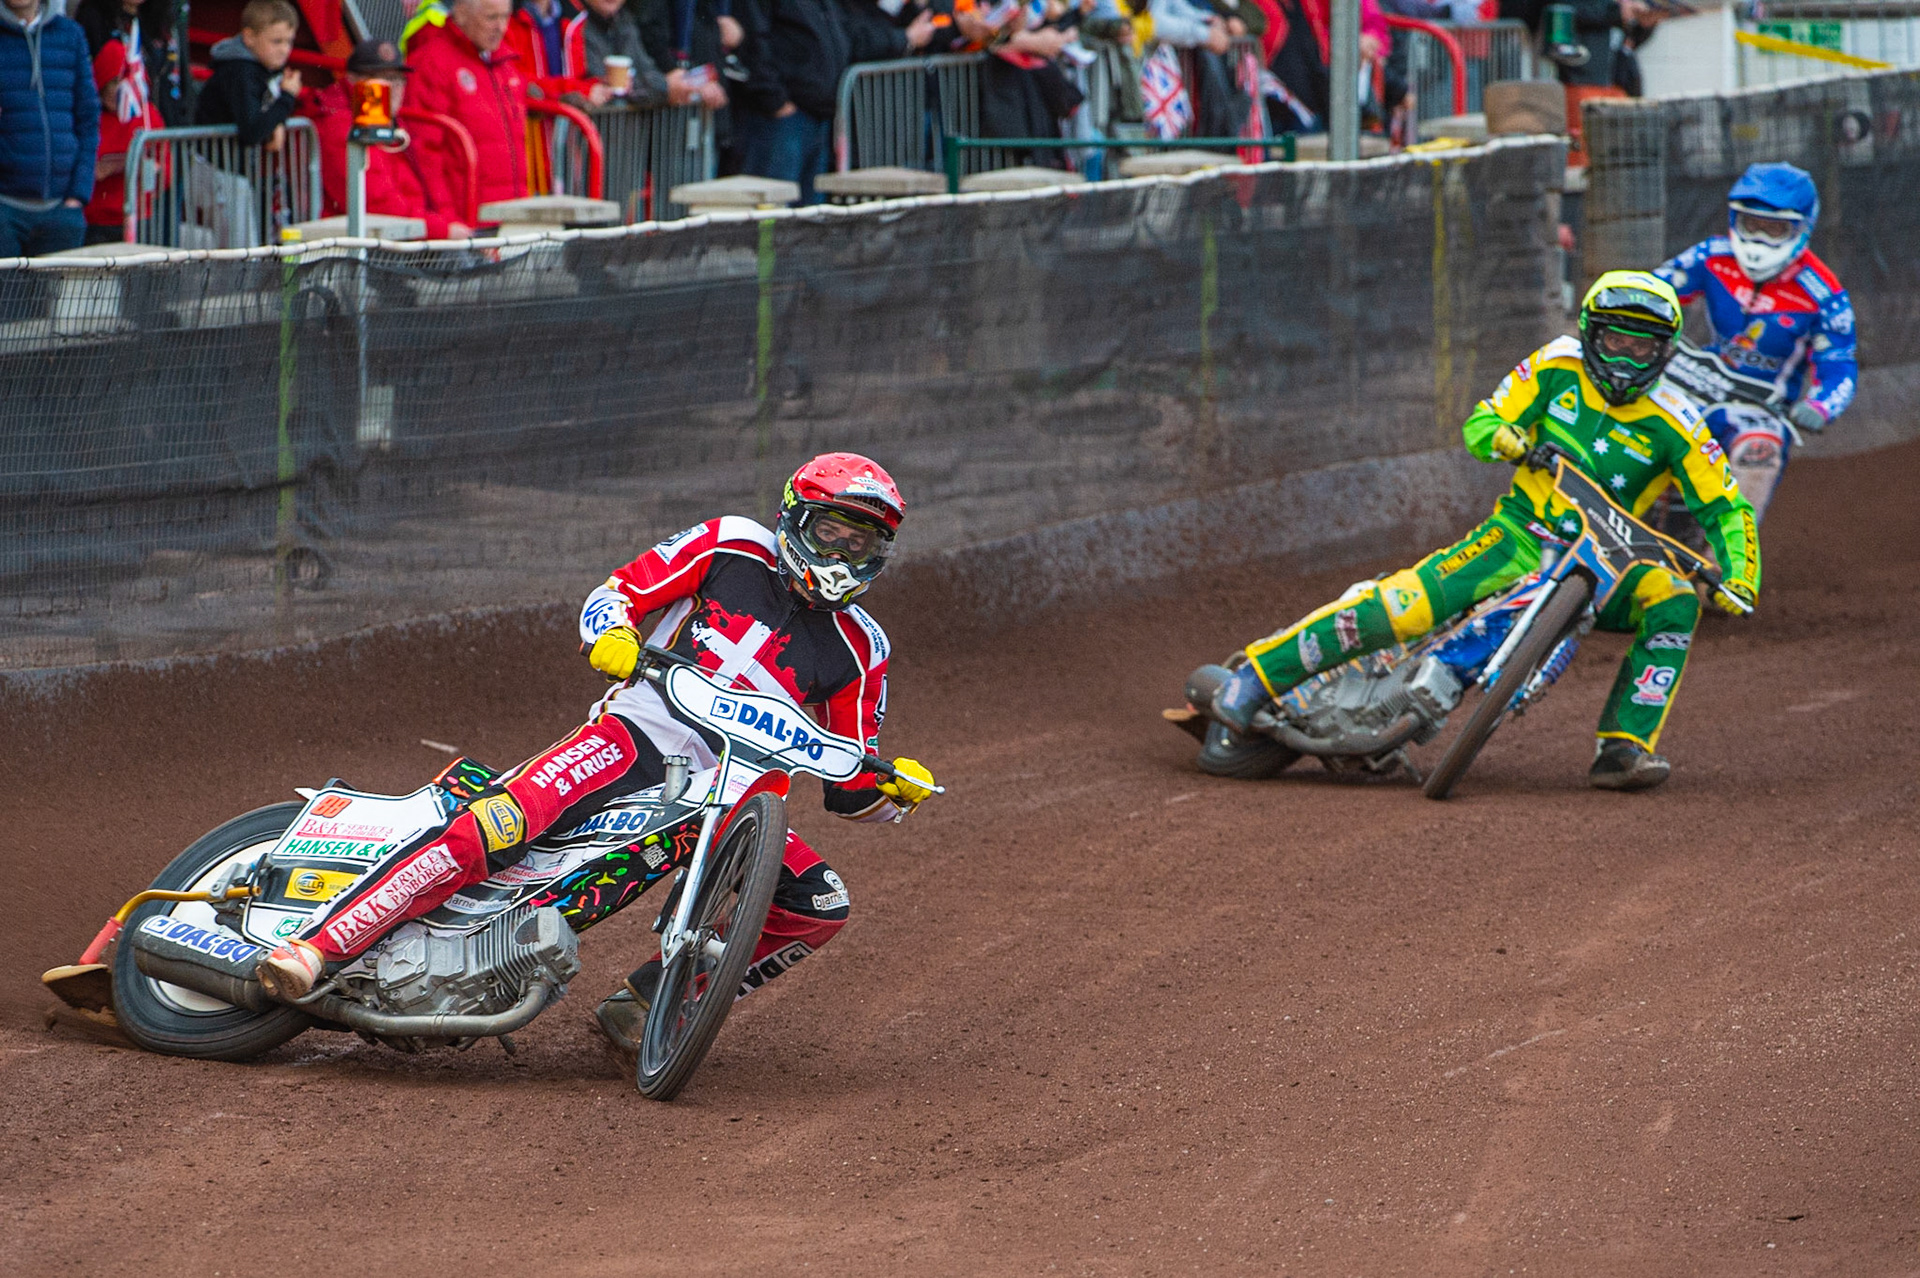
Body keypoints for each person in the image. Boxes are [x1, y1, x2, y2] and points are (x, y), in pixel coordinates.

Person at [253, 453, 939, 1055]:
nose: (843, 555)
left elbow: (850, 777)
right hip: (632, 737)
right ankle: (321, 945)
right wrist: (611, 633)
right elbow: (618, 593)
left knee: (819, 903)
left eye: (862, 543)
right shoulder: (732, 545)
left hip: (728, 798)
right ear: (796, 518)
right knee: (504, 824)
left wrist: (893, 794)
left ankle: (647, 1007)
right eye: (832, 534)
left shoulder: (863, 647)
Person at [1205, 272, 1761, 792]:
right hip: (1520, 533)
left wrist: (1741, 575)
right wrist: (1516, 443)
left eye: (1642, 346)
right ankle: (1257, 676)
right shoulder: (1555, 364)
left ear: (1664, 352)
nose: (1626, 355)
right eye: (1616, 340)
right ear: (1592, 334)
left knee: (1676, 599)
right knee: (1406, 606)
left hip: (1613, 561)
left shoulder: (1679, 420)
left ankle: (1623, 748)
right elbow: (1482, 424)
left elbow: (1727, 507)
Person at [1654, 162, 1856, 521]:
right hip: (1697, 386)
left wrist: (1822, 406)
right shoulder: (1711, 257)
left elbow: (1839, 365)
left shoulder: (1822, 293)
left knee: (1759, 452)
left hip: (1758, 409)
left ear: (1801, 229)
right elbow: (1654, 292)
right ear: (1736, 220)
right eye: (1753, 225)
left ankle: (1724, 565)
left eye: (1775, 229)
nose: (1760, 239)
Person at [732, 0, 933, 203]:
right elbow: (754, 41)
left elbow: (853, 36)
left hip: (820, 114)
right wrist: (774, 100)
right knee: (772, 209)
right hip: (782, 118)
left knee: (811, 214)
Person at [303, 39, 475, 238]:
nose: (393, 88)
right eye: (381, 79)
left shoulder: (394, 123)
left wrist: (450, 224)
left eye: (398, 79)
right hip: (373, 245)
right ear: (352, 80)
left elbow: (430, 189)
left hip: (404, 236)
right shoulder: (341, 127)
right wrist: (442, 230)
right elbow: (376, 204)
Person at [406, 0, 532, 211]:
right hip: (468, 220)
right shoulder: (431, 64)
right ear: (462, 14)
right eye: (491, 18)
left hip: (511, 213)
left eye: (505, 17)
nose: (501, 27)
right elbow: (424, 153)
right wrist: (447, 218)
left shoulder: (504, 64)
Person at [0, 0, 99, 258]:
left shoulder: (70, 34)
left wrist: (77, 196)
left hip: (62, 212)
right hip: (5, 211)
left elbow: (88, 118)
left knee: (58, 299)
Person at [74, 0, 161, 243]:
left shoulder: (148, 116)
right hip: (94, 221)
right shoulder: (89, 116)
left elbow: (164, 172)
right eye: (113, 82)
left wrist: (124, 165)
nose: (119, 91)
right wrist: (125, 163)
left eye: (125, 83)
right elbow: (88, 169)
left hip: (139, 220)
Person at [194, 0, 302, 148]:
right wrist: (287, 96)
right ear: (249, 37)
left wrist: (278, 123)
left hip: (231, 163)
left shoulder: (264, 68)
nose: (284, 49)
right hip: (213, 164)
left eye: (289, 42)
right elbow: (251, 131)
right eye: (276, 41)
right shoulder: (240, 72)